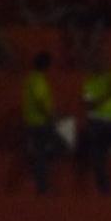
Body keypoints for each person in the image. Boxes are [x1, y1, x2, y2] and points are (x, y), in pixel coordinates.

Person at [79, 49, 111, 194]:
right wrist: (106, 96)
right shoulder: (89, 82)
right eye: (97, 63)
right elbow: (89, 105)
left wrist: (103, 96)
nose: (100, 65)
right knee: (99, 156)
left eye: (102, 62)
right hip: (97, 120)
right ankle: (103, 188)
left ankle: (98, 146)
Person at [22, 50, 67, 195]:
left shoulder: (30, 79)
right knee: (62, 146)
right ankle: (42, 175)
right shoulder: (38, 80)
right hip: (40, 123)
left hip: (32, 122)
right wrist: (52, 116)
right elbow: (41, 102)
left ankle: (42, 186)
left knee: (41, 153)